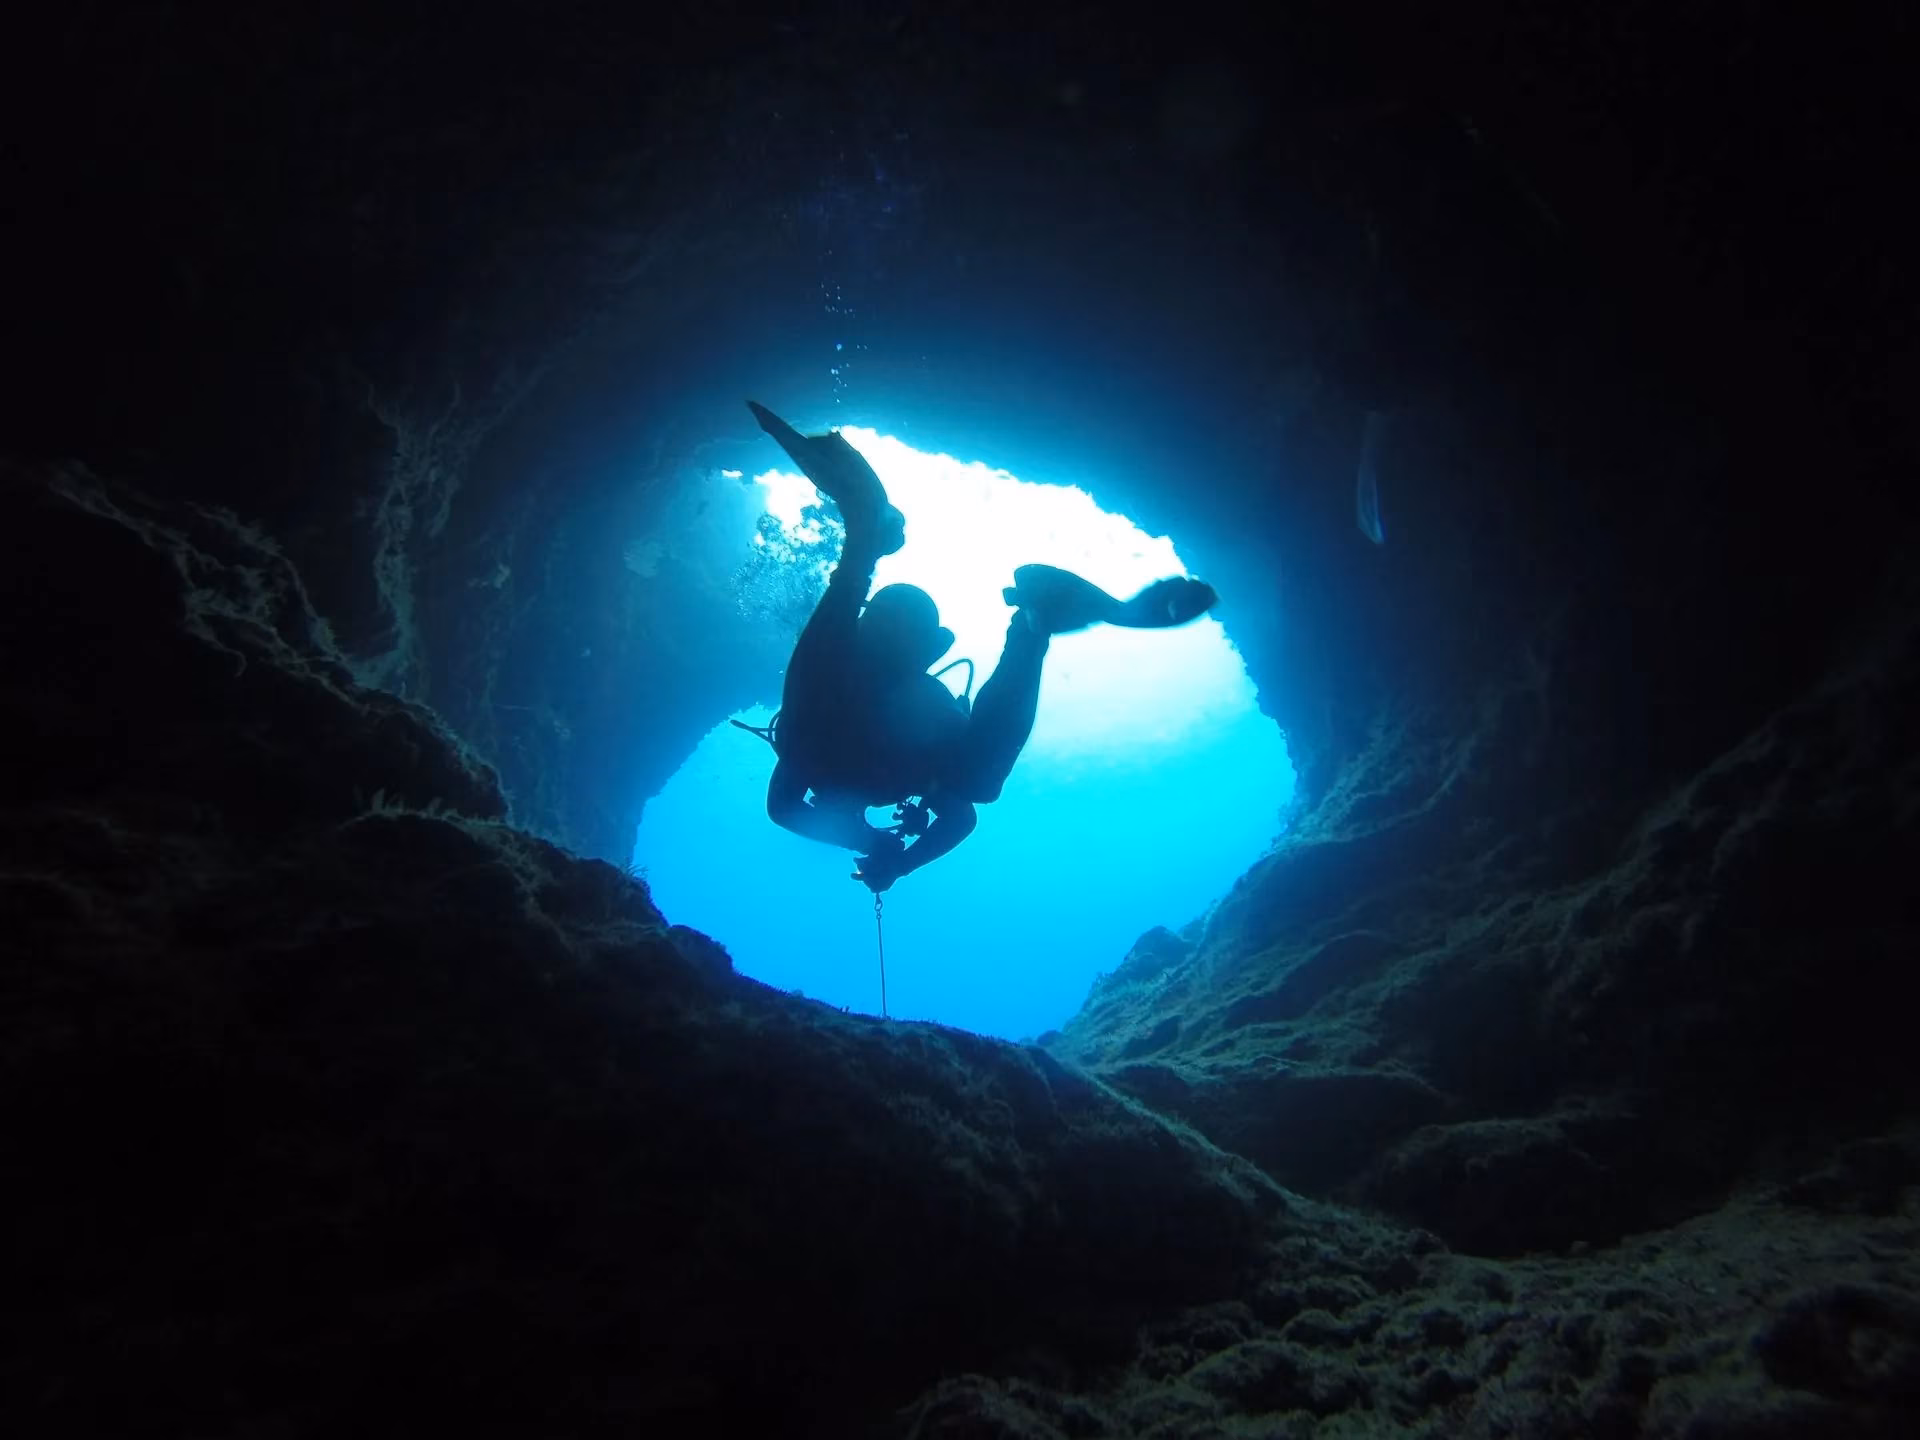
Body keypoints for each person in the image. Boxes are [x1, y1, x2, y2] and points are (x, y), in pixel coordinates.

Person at [748, 401, 1217, 892]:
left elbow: (784, 809)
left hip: (845, 689)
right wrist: (890, 855)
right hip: (860, 689)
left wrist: (880, 849)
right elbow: (956, 817)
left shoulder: (822, 753)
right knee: (971, 778)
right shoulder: (879, 757)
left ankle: (1012, 618)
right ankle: (1012, 613)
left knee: (829, 723)